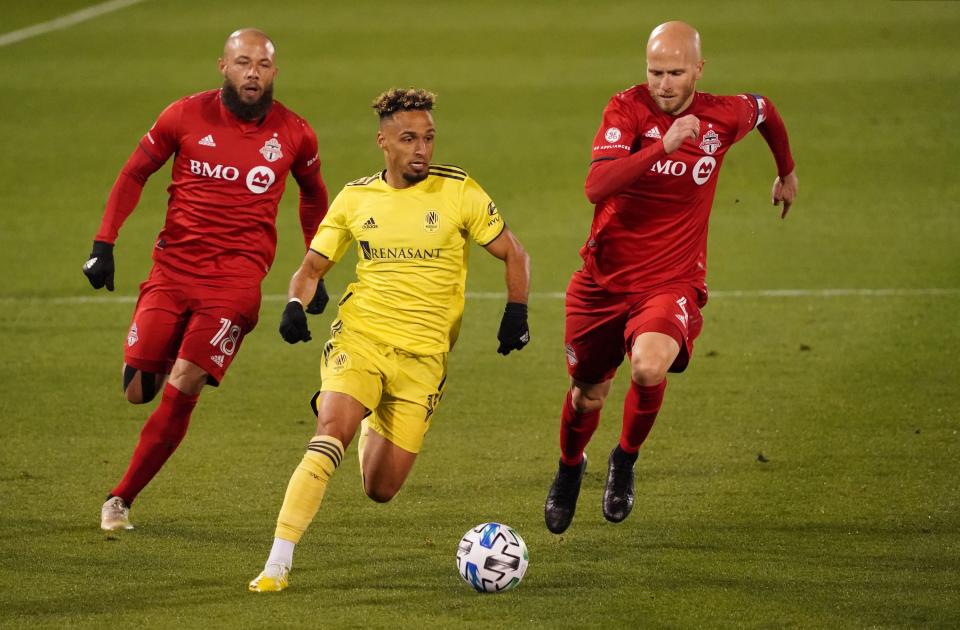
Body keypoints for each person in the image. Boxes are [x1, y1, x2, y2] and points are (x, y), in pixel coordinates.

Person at [247, 87, 531, 592]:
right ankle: (277, 563)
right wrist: (295, 304)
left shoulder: (458, 190)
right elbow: (311, 268)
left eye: (428, 138)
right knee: (330, 431)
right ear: (384, 142)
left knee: (380, 489)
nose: (422, 149)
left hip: (424, 358)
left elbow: (515, 254)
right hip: (362, 337)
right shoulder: (356, 198)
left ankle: (372, 408)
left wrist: (516, 311)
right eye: (409, 139)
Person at [543, 21, 798, 534]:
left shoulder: (723, 115)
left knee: (648, 367)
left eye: (675, 72)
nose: (663, 83)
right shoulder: (626, 109)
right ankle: (571, 467)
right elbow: (596, 186)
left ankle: (625, 460)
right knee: (586, 395)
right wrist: (661, 147)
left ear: (698, 70)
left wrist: (785, 170)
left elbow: (766, 109)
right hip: (603, 280)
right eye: (655, 71)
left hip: (670, 280)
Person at [83, 28, 330, 531]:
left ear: (275, 71)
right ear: (223, 66)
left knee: (185, 381)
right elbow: (134, 173)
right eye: (243, 63)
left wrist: (314, 264)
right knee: (137, 392)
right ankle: (170, 340)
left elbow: (313, 196)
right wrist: (103, 244)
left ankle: (120, 499)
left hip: (236, 284)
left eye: (262, 64)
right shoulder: (183, 115)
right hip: (172, 270)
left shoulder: (295, 133)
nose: (253, 73)